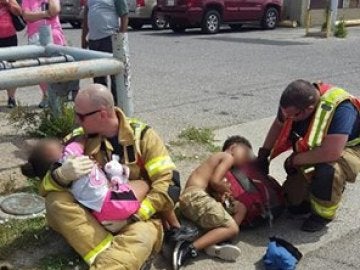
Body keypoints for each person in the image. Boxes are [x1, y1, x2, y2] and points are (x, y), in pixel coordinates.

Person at [39, 83, 183, 269]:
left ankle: (109, 260)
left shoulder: (143, 137)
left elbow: (169, 183)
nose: (76, 121)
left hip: (136, 219)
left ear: (102, 114)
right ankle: (112, 253)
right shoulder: (76, 140)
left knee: (142, 237)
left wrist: (133, 217)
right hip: (93, 214)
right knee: (55, 201)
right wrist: (61, 175)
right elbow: (44, 188)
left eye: (81, 116)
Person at [257, 79, 360, 232]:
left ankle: (323, 214)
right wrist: (263, 154)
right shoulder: (293, 104)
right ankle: (311, 195)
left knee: (328, 169)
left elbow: (332, 152)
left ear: (308, 109)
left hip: (346, 149)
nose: (288, 119)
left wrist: (294, 160)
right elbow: (278, 124)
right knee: (293, 206)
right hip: (317, 148)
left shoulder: (342, 109)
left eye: (293, 116)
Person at [21, 138, 150, 225]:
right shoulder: (68, 156)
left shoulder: (62, 180)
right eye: (60, 146)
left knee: (130, 188)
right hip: (113, 202)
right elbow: (81, 140)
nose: (63, 145)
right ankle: (133, 215)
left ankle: (124, 217)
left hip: (98, 212)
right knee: (144, 184)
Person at [173, 135, 253, 268]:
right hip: (195, 197)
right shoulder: (227, 157)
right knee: (232, 228)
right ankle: (189, 248)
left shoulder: (217, 163)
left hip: (192, 202)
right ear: (233, 148)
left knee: (240, 208)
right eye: (246, 153)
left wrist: (221, 197)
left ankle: (216, 240)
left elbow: (211, 187)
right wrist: (225, 189)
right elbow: (215, 181)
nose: (247, 159)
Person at [81, 0, 130, 105]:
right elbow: (86, 18)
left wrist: (121, 37)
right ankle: (102, 106)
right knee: (98, 76)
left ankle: (118, 107)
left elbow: (124, 15)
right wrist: (83, 38)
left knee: (115, 76)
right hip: (94, 41)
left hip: (110, 38)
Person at [22, 0, 66, 108]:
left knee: (58, 67)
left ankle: (59, 96)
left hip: (54, 34)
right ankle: (46, 94)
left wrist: (39, 15)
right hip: (35, 36)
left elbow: (55, 11)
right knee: (40, 68)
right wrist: (45, 14)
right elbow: (27, 16)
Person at [0, 0, 22, 108]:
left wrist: (8, 3)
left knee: (11, 67)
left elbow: (19, 12)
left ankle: (11, 98)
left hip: (10, 37)